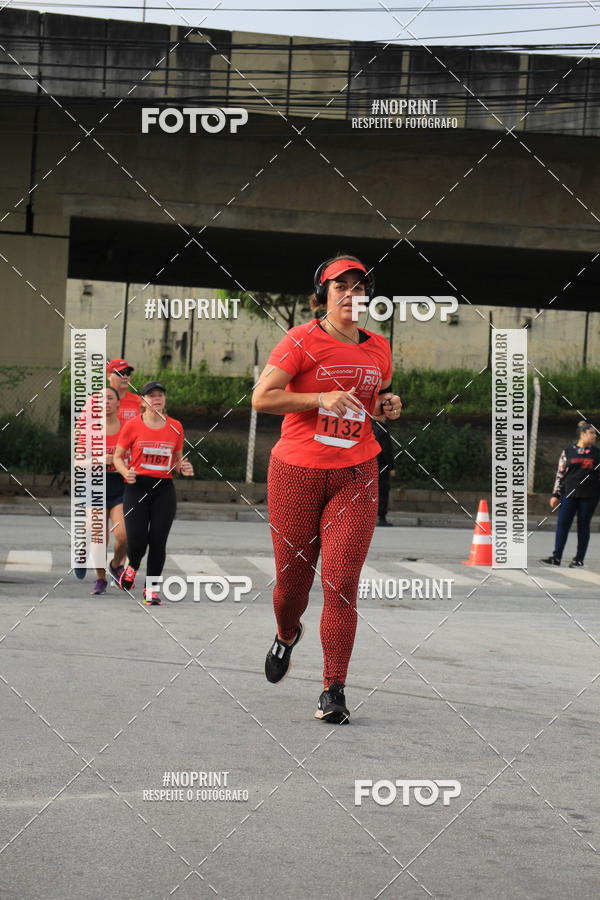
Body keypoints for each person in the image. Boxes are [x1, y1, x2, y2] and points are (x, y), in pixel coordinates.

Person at [252, 254, 401, 724]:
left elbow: (370, 402)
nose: (351, 296)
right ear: (324, 295)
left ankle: (333, 688)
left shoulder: (379, 348)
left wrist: (386, 405)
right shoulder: (301, 340)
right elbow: (263, 397)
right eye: (341, 287)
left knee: (341, 581)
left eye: (359, 288)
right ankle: (286, 632)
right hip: (297, 470)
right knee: (291, 586)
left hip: (356, 472)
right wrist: (319, 397)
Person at [113, 381, 194, 605]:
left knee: (158, 540)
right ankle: (133, 565)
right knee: (137, 540)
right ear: (143, 402)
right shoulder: (132, 425)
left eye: (160, 395)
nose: (156, 398)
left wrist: (184, 467)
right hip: (137, 486)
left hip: (163, 489)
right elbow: (118, 457)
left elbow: (177, 461)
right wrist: (124, 472)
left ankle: (151, 590)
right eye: (151, 395)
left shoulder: (176, 426)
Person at [73, 387, 128, 588]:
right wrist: (98, 459)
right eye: (100, 399)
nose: (105, 402)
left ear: (118, 403)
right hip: (95, 484)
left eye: (110, 398)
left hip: (118, 485)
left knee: (123, 536)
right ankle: (101, 578)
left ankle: (115, 565)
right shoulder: (89, 431)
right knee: (98, 535)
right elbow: (78, 463)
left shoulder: (127, 429)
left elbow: (135, 457)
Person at [541, 421, 600, 568]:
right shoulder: (568, 451)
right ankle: (556, 557)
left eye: (595, 433)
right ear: (583, 434)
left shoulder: (597, 454)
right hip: (569, 494)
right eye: (591, 432)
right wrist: (556, 494)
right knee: (562, 524)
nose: (594, 436)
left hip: (590, 495)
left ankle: (579, 559)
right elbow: (560, 474)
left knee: (583, 526)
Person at [373, 419, 396, 526]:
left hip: (366, 463)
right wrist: (391, 467)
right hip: (381, 465)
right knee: (382, 490)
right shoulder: (383, 430)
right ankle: (381, 517)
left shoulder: (367, 427)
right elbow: (387, 451)